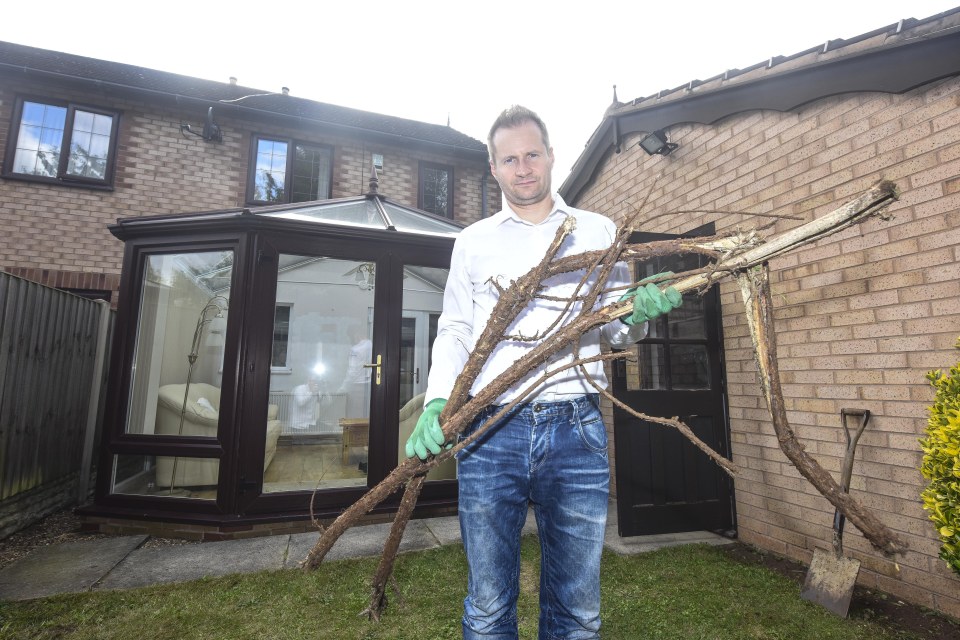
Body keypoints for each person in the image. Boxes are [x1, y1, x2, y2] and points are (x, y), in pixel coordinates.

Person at [405, 105, 682, 640]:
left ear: (552, 156)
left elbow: (614, 332)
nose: (523, 167)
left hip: (576, 429)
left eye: (533, 154)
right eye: (509, 159)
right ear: (494, 168)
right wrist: (438, 399)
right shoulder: (474, 241)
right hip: (489, 430)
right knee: (487, 608)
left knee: (578, 611)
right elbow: (457, 329)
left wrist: (638, 319)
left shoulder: (598, 231)